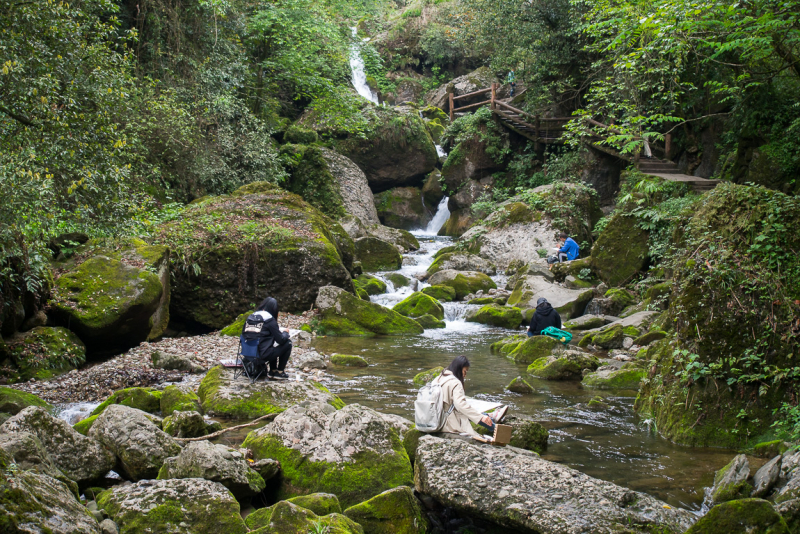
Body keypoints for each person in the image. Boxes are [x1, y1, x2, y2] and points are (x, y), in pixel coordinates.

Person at [431, 356, 508, 437]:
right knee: (469, 410)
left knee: (469, 409)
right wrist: (481, 417)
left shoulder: (439, 378)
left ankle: (491, 416)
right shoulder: (455, 383)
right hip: (447, 423)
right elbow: (461, 406)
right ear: (459, 368)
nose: (465, 374)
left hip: (436, 419)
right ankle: (499, 431)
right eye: (465, 371)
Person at [241, 297, 292, 379]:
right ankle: (279, 371)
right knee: (288, 343)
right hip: (261, 355)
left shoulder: (250, 317)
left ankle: (273, 370)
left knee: (270, 342)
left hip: (247, 353)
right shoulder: (269, 320)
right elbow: (281, 340)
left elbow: (244, 334)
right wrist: (286, 333)